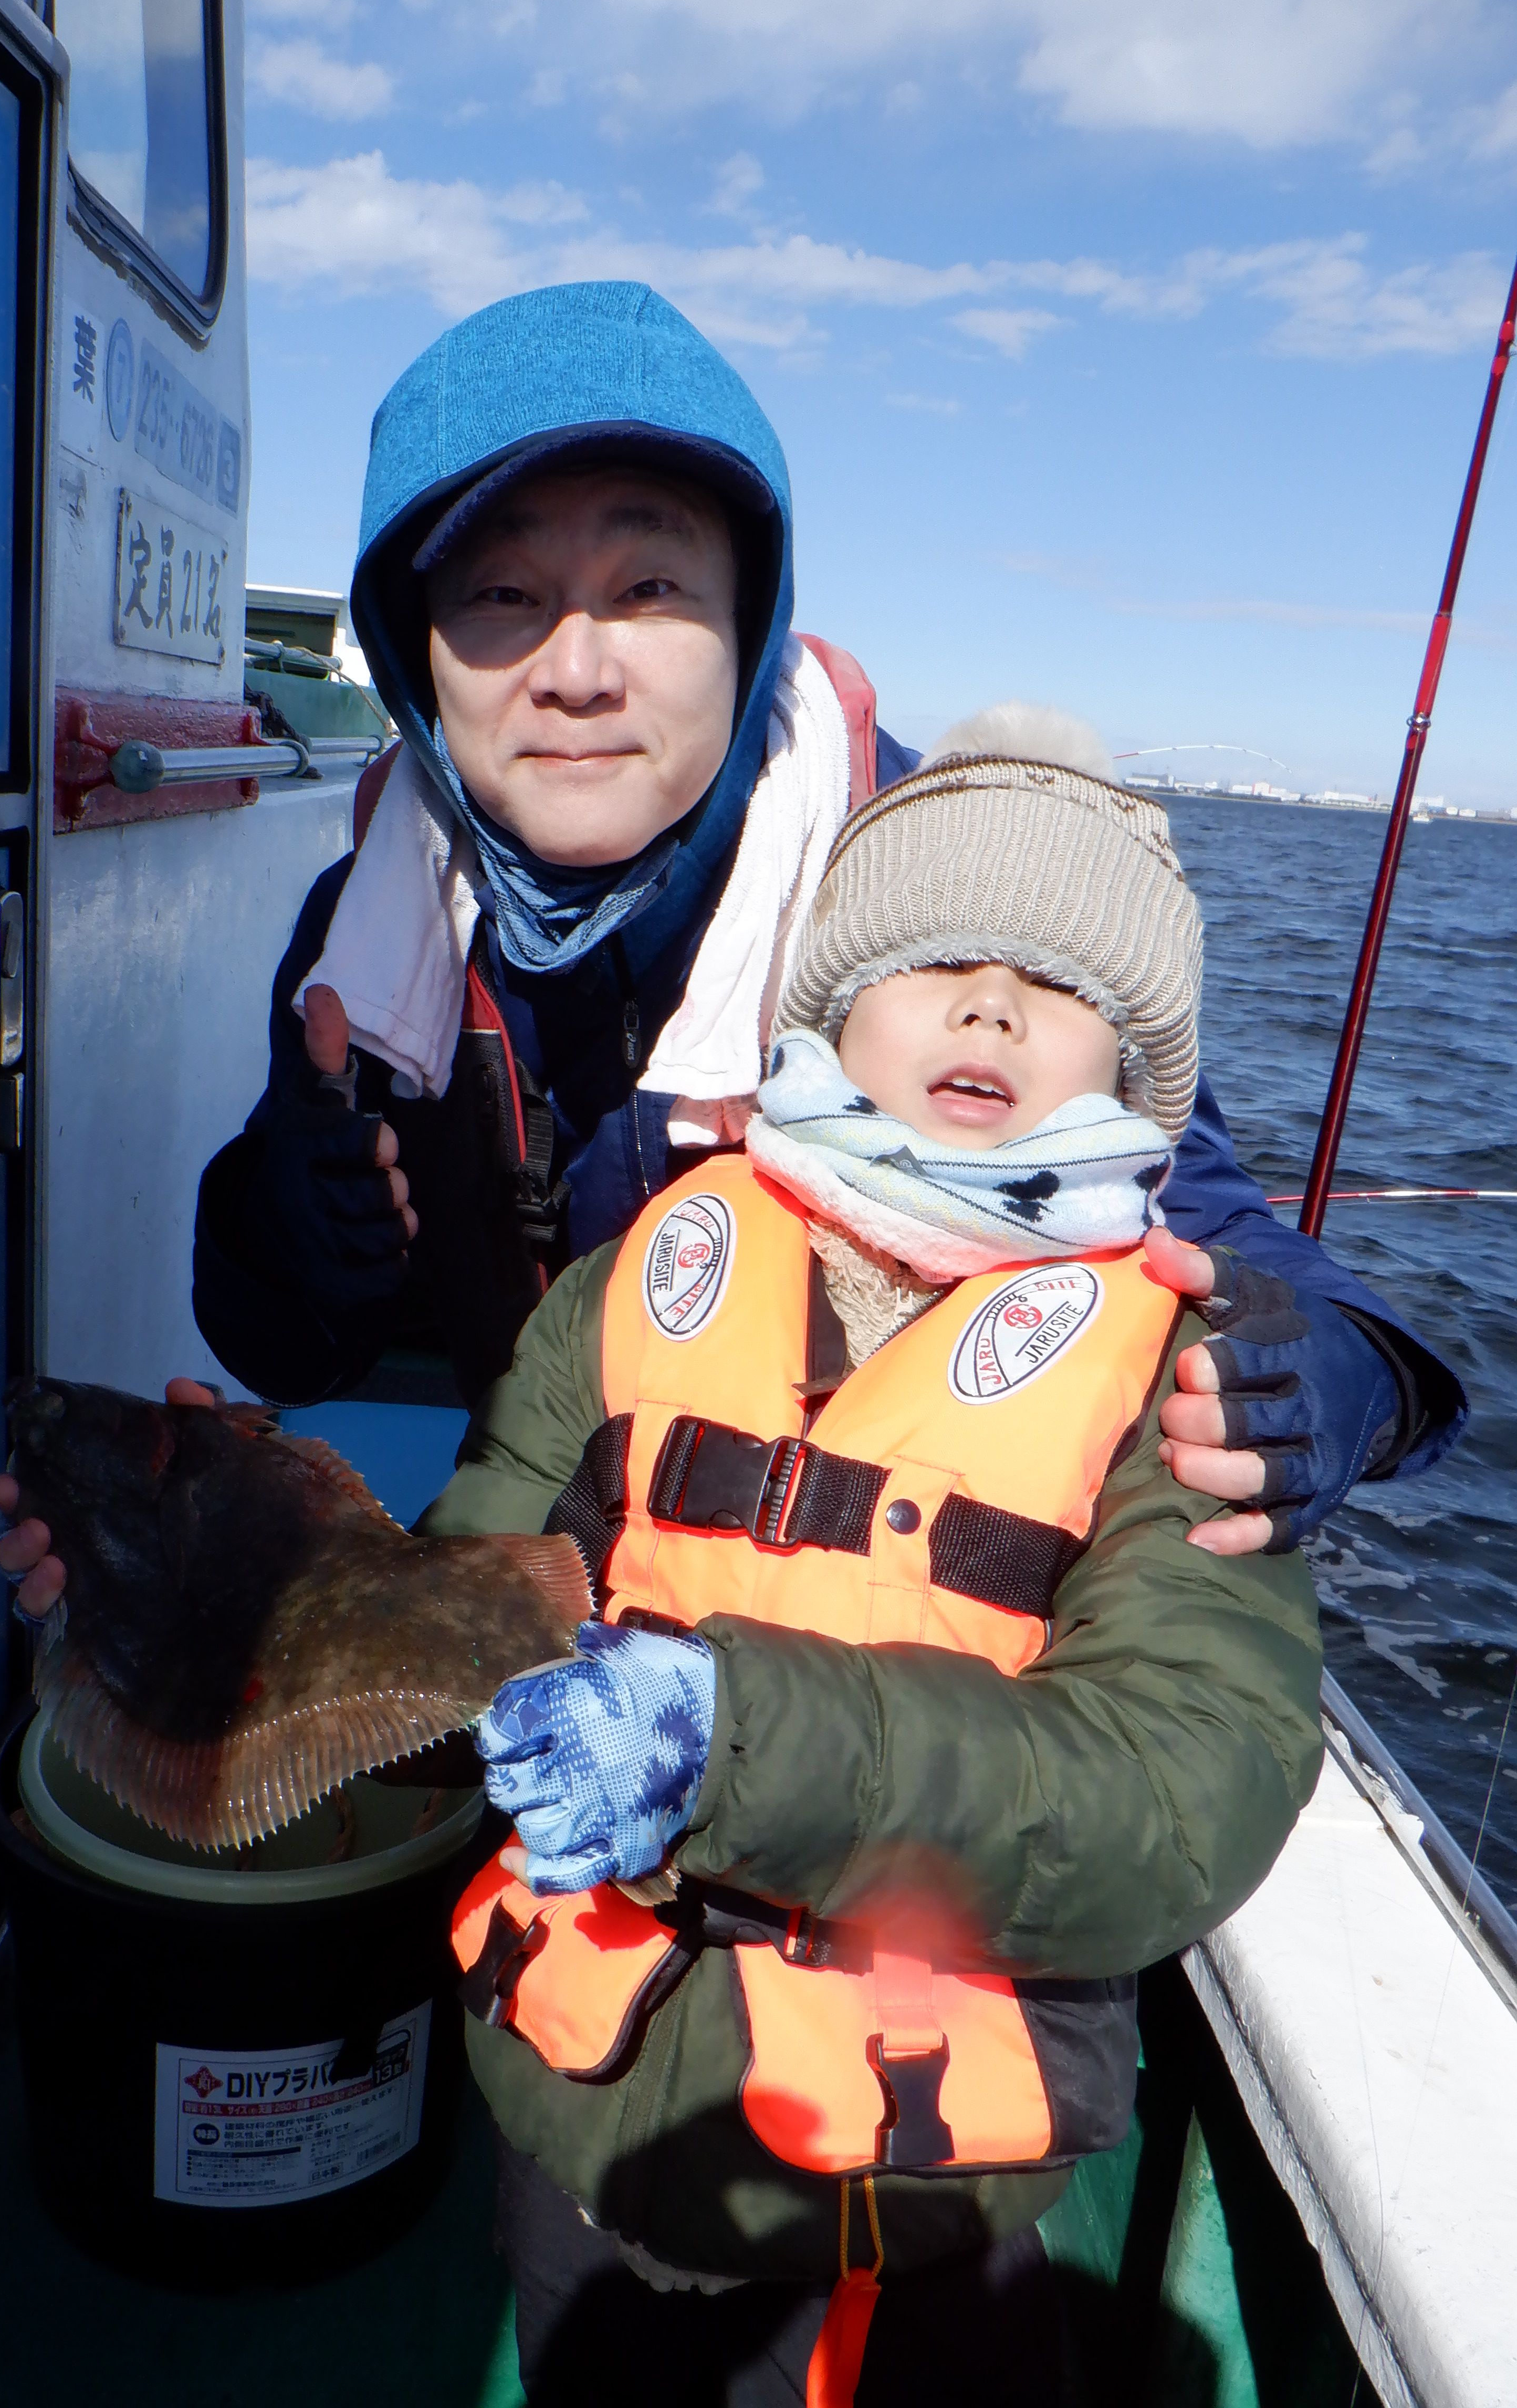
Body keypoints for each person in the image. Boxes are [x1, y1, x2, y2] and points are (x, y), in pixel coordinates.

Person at [0, 282, 1462, 1603]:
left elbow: (1213, 1230)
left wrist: (1352, 1374)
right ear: (413, 647)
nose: (575, 670)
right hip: (555, 1576)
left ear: (751, 621)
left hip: (896, 1641)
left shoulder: (946, 898)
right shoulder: (367, 941)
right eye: (500, 595)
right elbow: (288, 1355)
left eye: (649, 589)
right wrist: (288, 1232)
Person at [434, 711, 1326, 2406]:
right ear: (833, 1004)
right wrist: (215, 1594)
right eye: (933, 962)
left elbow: (1183, 1788)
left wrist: (736, 1742)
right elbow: (458, 1602)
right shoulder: (643, 1273)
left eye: (1062, 985)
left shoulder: (1184, 1382)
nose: (992, 1009)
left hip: (916, 2190)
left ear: (1135, 1069)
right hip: (582, 2104)